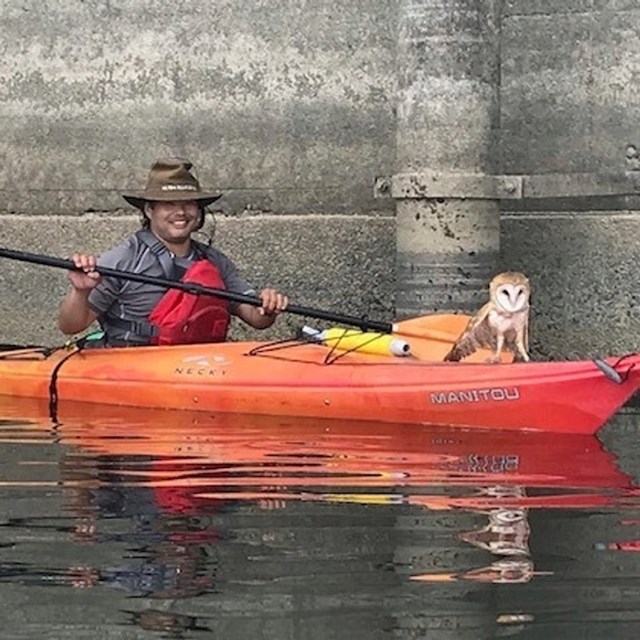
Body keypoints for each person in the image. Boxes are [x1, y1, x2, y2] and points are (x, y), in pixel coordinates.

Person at [58, 158, 288, 346]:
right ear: (149, 210)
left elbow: (255, 318)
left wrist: (267, 307)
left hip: (195, 367)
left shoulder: (215, 261)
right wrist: (80, 292)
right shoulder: (121, 260)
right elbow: (70, 326)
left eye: (189, 204)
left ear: (198, 212)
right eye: (169, 204)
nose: (181, 212)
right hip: (133, 366)